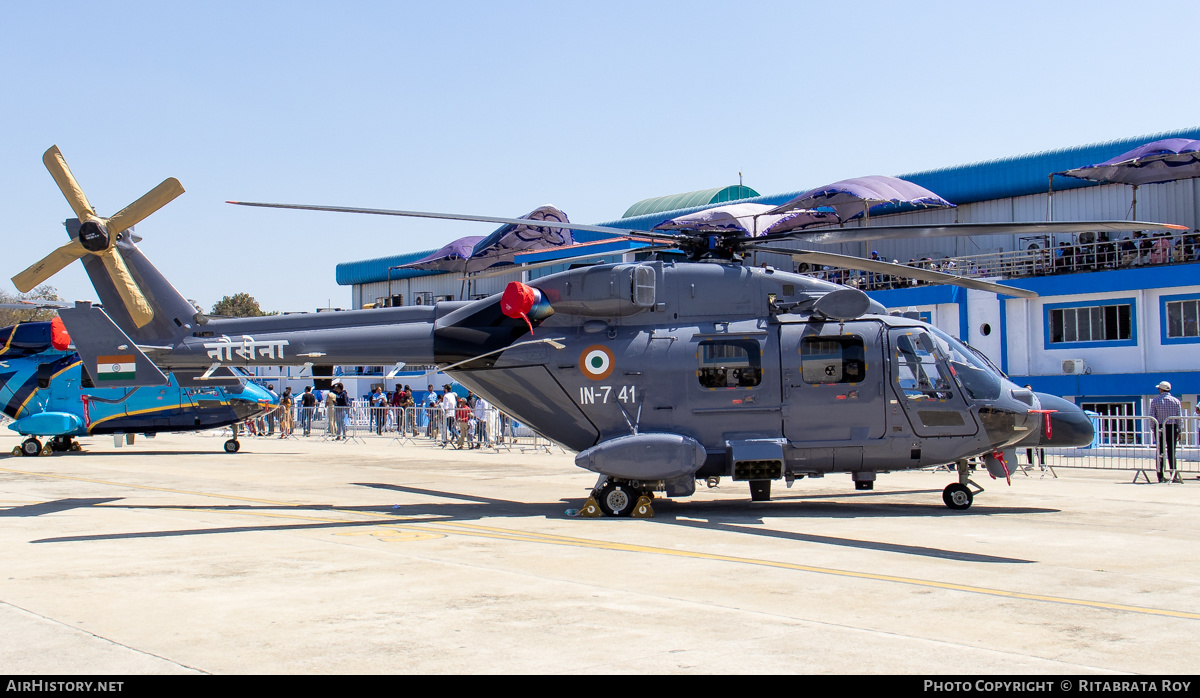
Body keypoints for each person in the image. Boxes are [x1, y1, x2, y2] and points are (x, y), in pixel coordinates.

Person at [1148, 381, 1183, 483]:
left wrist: (1153, 428)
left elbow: (1152, 417)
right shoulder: (1176, 401)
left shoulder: (1155, 401)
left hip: (1160, 427)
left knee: (1160, 452)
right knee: (1172, 452)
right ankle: (1173, 474)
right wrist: (1179, 430)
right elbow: (1179, 418)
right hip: (1172, 427)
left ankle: (1160, 475)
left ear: (1161, 389)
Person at [1023, 385, 1045, 469]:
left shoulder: (1036, 400)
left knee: (1039, 446)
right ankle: (1030, 464)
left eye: (1030, 390)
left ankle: (1042, 464)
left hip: (1038, 426)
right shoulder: (1023, 401)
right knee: (1029, 446)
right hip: (1028, 426)